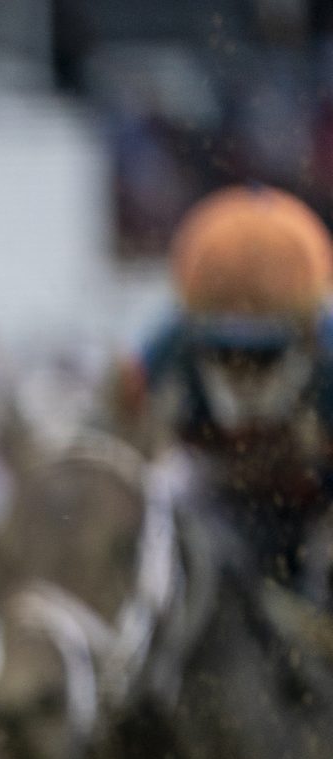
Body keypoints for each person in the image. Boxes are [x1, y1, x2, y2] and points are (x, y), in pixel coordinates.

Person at [125, 184, 333, 589]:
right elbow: (122, 410)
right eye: (225, 352)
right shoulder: (170, 347)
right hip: (214, 491)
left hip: (316, 498)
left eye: (263, 355)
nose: (243, 373)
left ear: (307, 336)